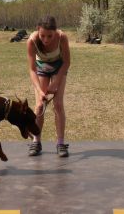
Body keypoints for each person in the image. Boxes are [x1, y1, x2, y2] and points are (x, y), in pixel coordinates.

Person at [26, 15, 71, 157]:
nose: (46, 40)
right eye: (43, 36)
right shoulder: (32, 41)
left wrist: (56, 82)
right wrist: (40, 91)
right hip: (41, 68)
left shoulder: (62, 37)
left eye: (50, 36)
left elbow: (67, 62)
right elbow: (32, 70)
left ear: (55, 32)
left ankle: (60, 143)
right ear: (37, 31)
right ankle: (36, 141)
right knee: (40, 106)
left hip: (59, 67)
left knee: (57, 105)